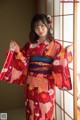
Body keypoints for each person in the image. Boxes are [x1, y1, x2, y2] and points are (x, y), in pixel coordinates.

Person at [0, 13, 72, 120]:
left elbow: (59, 63)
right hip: (31, 83)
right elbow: (22, 60)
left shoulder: (56, 46)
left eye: (42, 25)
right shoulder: (29, 46)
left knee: (45, 109)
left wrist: (66, 52)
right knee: (31, 109)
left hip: (46, 83)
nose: (40, 29)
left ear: (48, 25)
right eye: (36, 26)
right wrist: (15, 49)